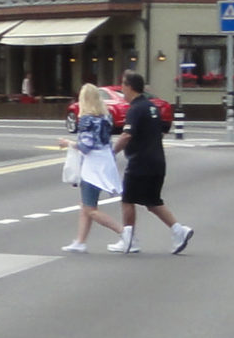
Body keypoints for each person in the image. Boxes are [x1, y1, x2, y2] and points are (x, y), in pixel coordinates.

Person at [115, 70, 194, 254]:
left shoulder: (135, 109)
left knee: (127, 199)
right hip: (157, 161)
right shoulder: (152, 107)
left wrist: (112, 152)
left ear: (129, 87)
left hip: (140, 162)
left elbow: (127, 134)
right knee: (153, 202)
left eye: (123, 85)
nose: (121, 90)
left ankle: (129, 240)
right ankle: (179, 230)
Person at [65, 82, 126, 252]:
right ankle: (80, 241)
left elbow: (85, 146)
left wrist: (68, 143)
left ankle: (124, 232)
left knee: (90, 208)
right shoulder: (106, 117)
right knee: (86, 204)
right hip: (105, 161)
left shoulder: (86, 119)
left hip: (92, 166)